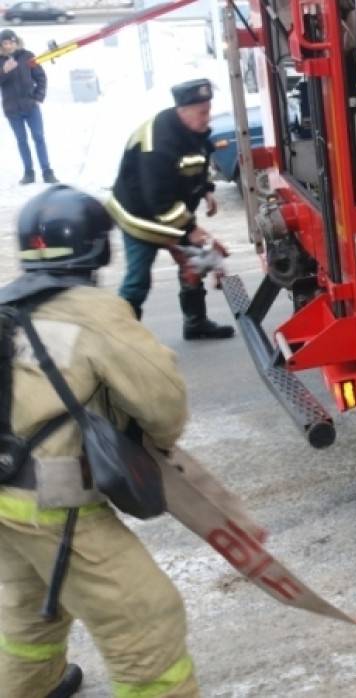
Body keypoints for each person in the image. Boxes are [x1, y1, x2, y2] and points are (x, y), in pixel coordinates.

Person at [0, 186, 199, 697]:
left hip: (5, 503)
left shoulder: (6, 306)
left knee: (32, 608)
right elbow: (161, 399)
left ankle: (31, 686)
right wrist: (158, 441)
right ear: (99, 249)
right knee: (145, 619)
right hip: (54, 502)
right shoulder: (92, 312)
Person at [105, 78, 233, 339]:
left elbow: (197, 161)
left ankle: (195, 323)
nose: (207, 119)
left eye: (208, 111)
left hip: (172, 214)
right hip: (140, 218)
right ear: (182, 111)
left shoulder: (192, 130)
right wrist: (191, 230)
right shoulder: (158, 141)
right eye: (203, 113)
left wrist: (206, 189)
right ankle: (121, 340)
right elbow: (159, 199)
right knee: (138, 279)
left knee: (195, 262)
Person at [0, 28, 57, 185]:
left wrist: (38, 97)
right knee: (22, 141)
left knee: (39, 138)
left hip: (31, 107)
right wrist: (4, 71)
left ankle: (47, 172)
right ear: (1, 45)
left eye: (11, 42)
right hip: (12, 110)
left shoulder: (27, 56)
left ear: (16, 41)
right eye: (5, 43)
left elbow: (41, 77)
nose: (9, 45)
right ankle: (29, 173)